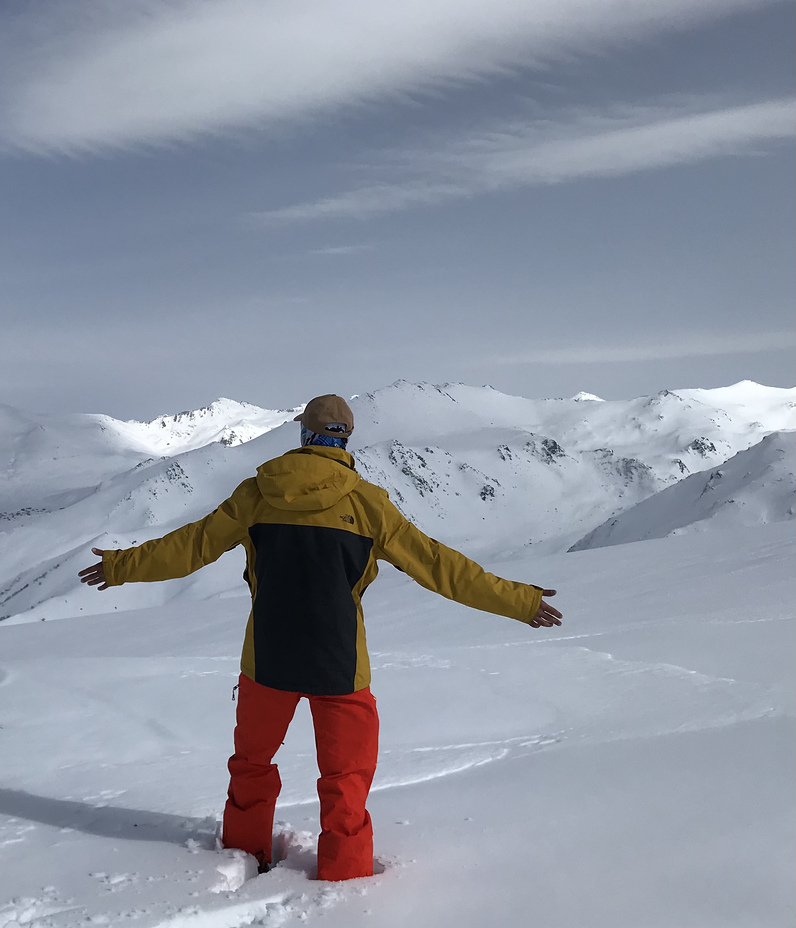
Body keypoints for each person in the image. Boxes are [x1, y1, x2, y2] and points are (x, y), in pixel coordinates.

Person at [78, 394, 562, 882]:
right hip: (341, 666)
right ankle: (346, 883)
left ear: (304, 435)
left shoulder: (255, 494)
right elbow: (440, 566)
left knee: (251, 765)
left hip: (266, 660)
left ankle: (244, 855)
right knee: (345, 782)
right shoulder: (369, 505)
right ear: (345, 440)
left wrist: (122, 566)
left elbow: (190, 547)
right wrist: (517, 600)